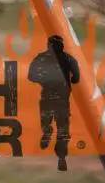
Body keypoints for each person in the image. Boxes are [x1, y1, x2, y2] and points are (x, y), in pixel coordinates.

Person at [29, 34, 80, 170]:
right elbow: (76, 77)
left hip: (48, 96)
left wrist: (42, 80)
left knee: (47, 121)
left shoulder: (42, 58)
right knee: (63, 129)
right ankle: (61, 157)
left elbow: (31, 75)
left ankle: (48, 133)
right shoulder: (69, 59)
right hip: (62, 99)